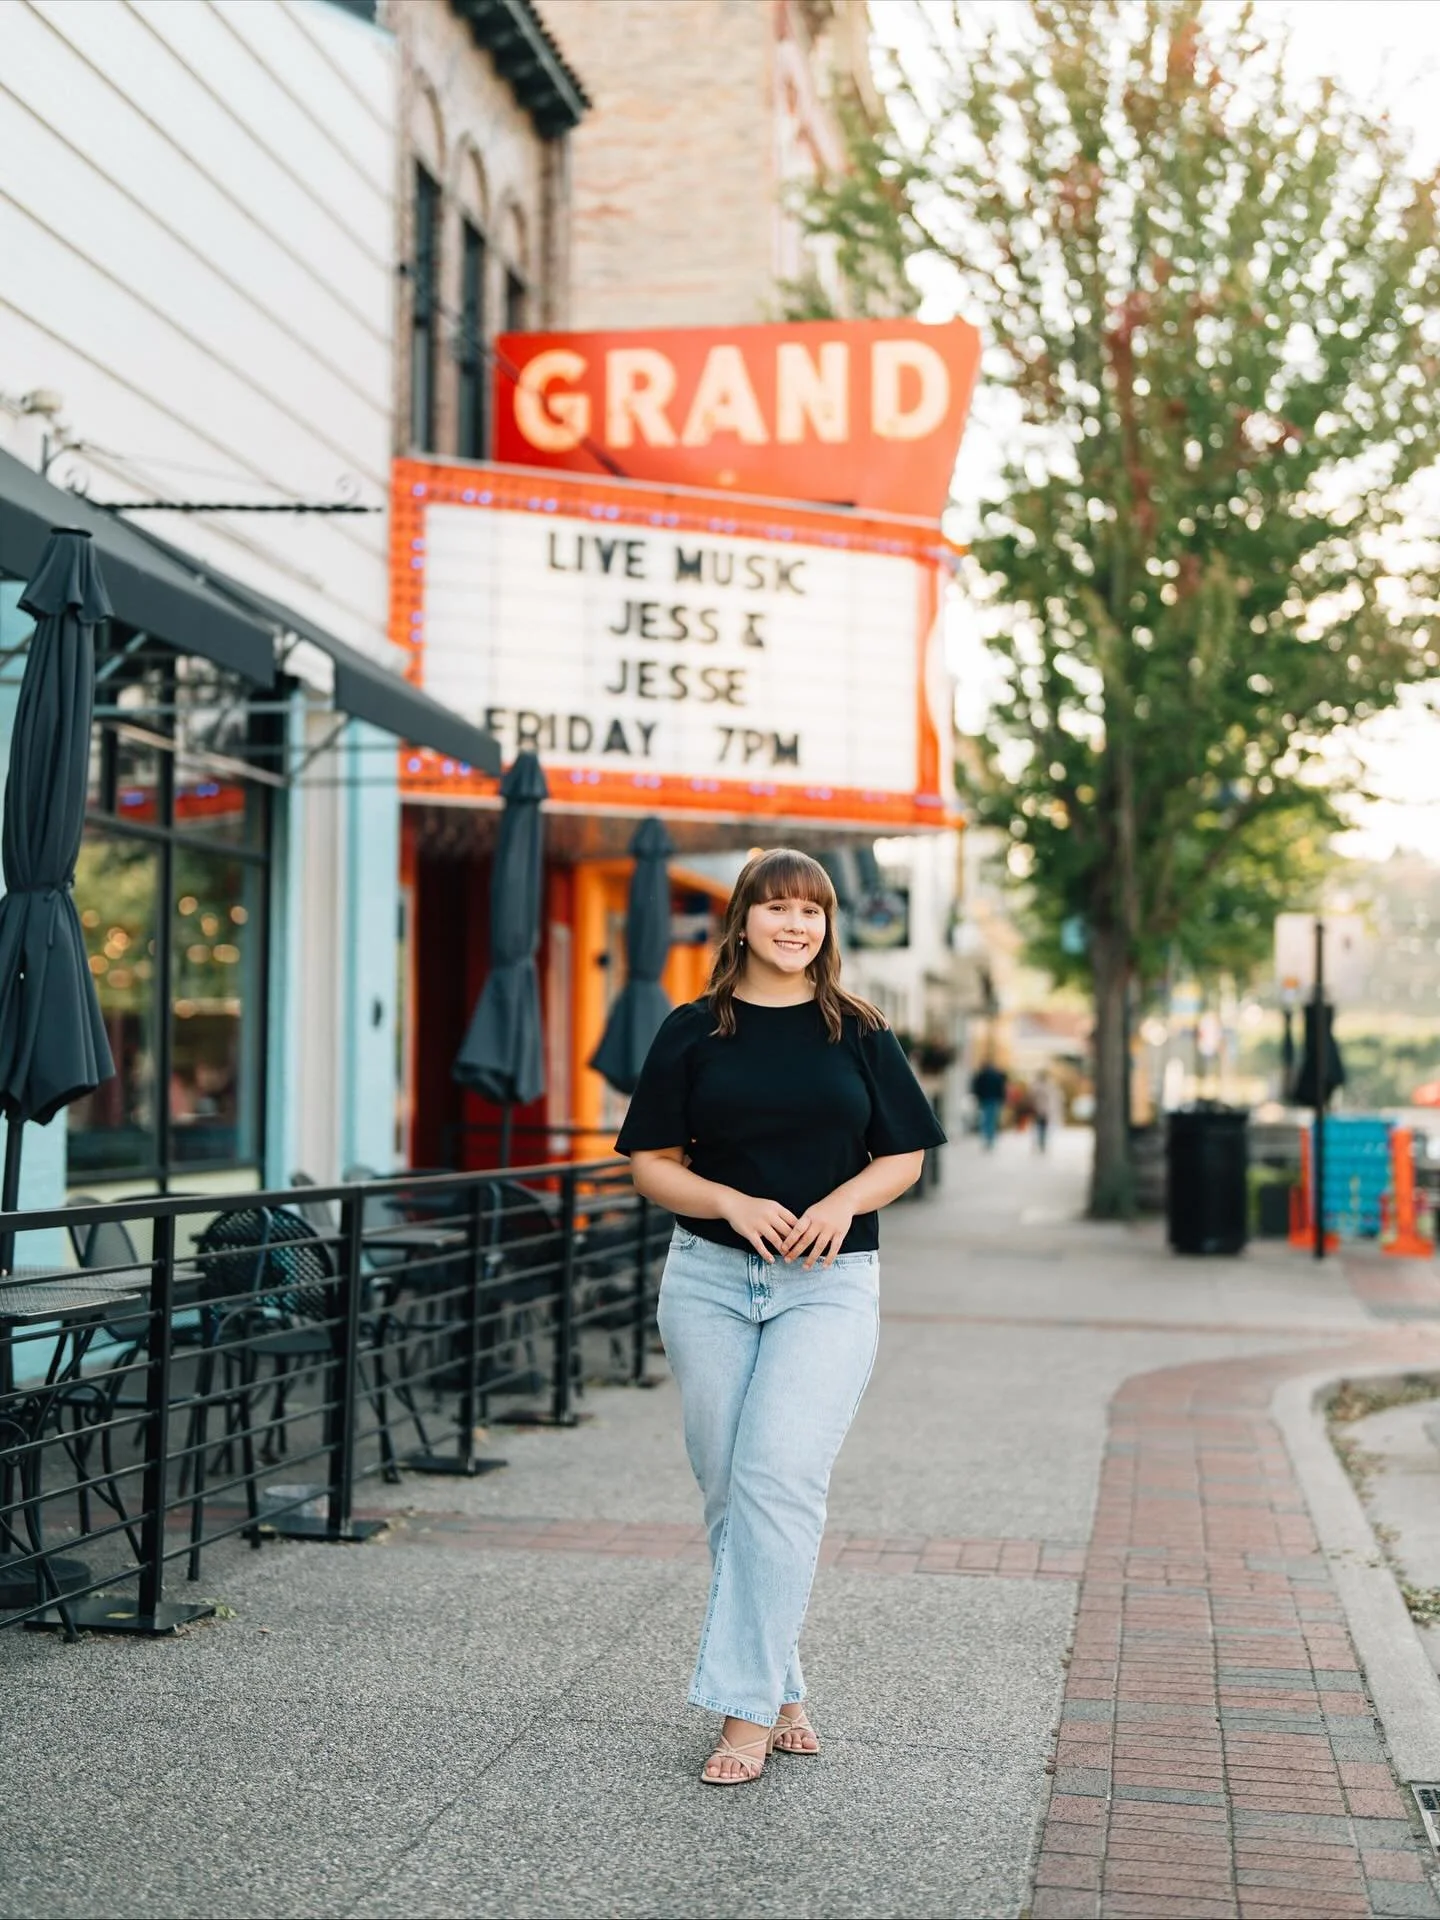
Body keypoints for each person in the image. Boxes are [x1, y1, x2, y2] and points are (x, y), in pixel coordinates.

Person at [618, 847, 946, 1786]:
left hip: (831, 1285)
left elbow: (905, 1155)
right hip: (711, 1281)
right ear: (744, 920)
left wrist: (844, 1202)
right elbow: (651, 1165)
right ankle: (783, 1686)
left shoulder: (859, 1032)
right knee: (732, 1494)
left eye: (813, 911)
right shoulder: (692, 1030)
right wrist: (726, 1201)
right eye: (778, 908)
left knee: (778, 1480)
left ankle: (742, 1717)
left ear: (828, 927)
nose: (796, 925)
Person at [970, 1058, 1008, 1148]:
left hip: (985, 1099)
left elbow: (976, 1087)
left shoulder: (982, 1075)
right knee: (992, 1119)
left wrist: (978, 1097)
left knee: (985, 1119)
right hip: (994, 1099)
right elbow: (1001, 1088)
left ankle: (986, 1137)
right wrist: (1002, 1099)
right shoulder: (997, 1075)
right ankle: (990, 1139)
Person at [1032, 1069, 1063, 1153]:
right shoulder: (1045, 1086)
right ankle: (1041, 1143)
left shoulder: (1039, 1086)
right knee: (1040, 1127)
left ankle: (1041, 1143)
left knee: (1041, 1127)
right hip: (1041, 1110)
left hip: (1042, 1110)